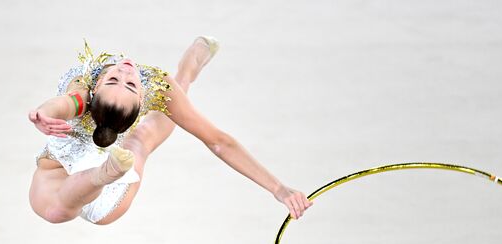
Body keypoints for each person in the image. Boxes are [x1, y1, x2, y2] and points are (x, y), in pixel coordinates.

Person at [29, 37, 313, 225]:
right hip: (62, 170)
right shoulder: (83, 84)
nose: (127, 73)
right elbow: (63, 104)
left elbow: (218, 142)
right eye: (116, 79)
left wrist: (278, 188)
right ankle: (100, 174)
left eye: (129, 84)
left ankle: (186, 71)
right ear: (97, 85)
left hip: (112, 195)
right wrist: (44, 113)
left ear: (143, 101)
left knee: (141, 138)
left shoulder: (157, 87)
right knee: (56, 211)